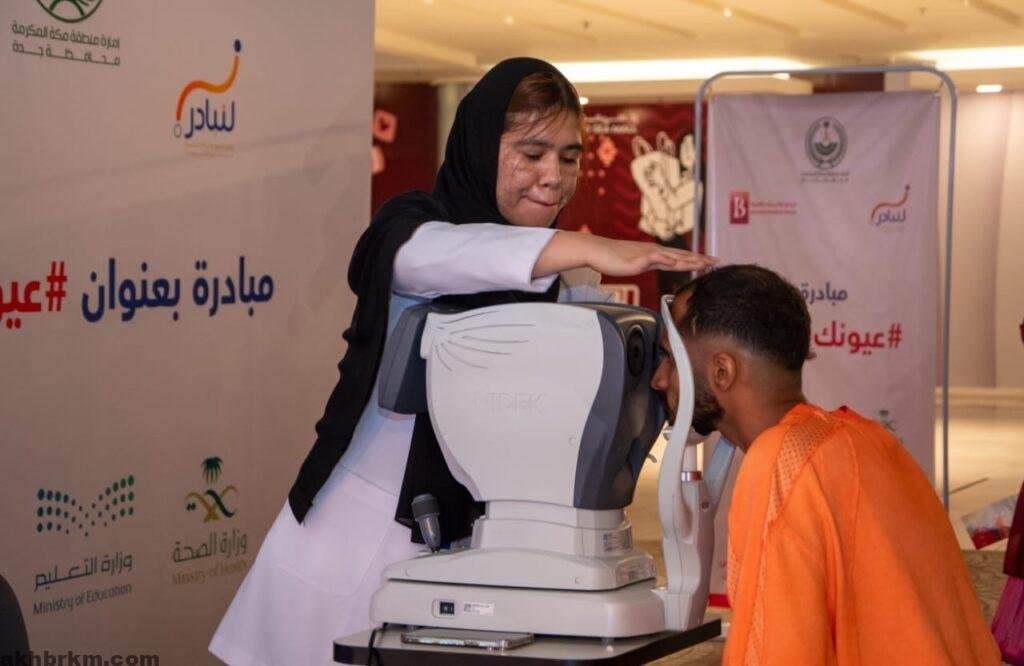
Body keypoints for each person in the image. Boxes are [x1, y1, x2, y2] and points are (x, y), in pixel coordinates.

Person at [209, 58, 715, 666]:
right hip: (354, 539)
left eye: (569, 157)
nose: (554, 178)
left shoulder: (564, 280)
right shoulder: (412, 230)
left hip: (471, 555)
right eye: (532, 154)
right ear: (478, 147)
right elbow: (443, 258)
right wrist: (584, 244)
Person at [650, 264, 1000, 665]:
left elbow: (781, 653)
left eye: (670, 358)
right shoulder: (867, 439)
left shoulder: (781, 462)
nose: (658, 379)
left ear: (722, 372)